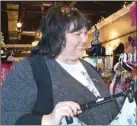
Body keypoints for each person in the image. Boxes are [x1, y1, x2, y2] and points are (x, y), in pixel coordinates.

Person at [1, 7, 119, 125]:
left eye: (85, 33)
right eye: (77, 34)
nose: (84, 40)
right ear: (56, 36)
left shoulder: (87, 66)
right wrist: (47, 120)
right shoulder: (30, 69)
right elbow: (5, 115)